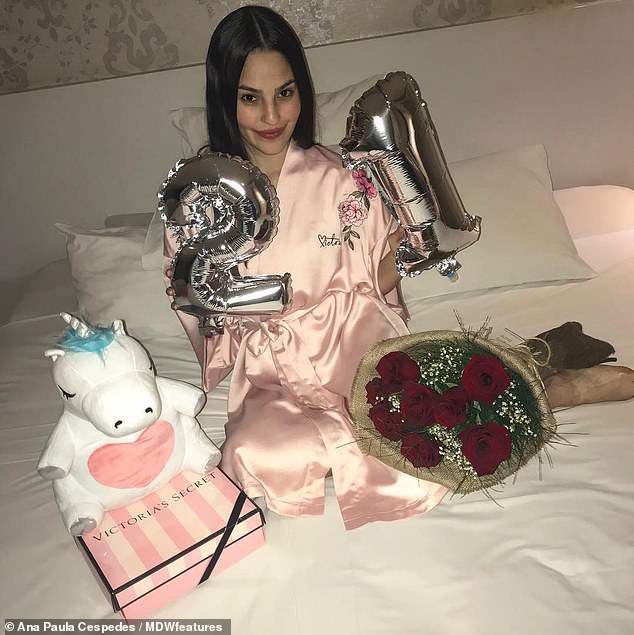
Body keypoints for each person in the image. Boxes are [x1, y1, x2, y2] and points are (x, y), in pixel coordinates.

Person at [165, 5, 634, 529]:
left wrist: (424, 242)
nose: (273, 116)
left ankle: (548, 385)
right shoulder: (200, 195)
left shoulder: (343, 177)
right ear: (223, 98)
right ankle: (506, 378)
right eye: (250, 98)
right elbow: (205, 314)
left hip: (352, 346)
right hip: (272, 371)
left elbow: (374, 275)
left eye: (286, 92)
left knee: (425, 437)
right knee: (256, 454)